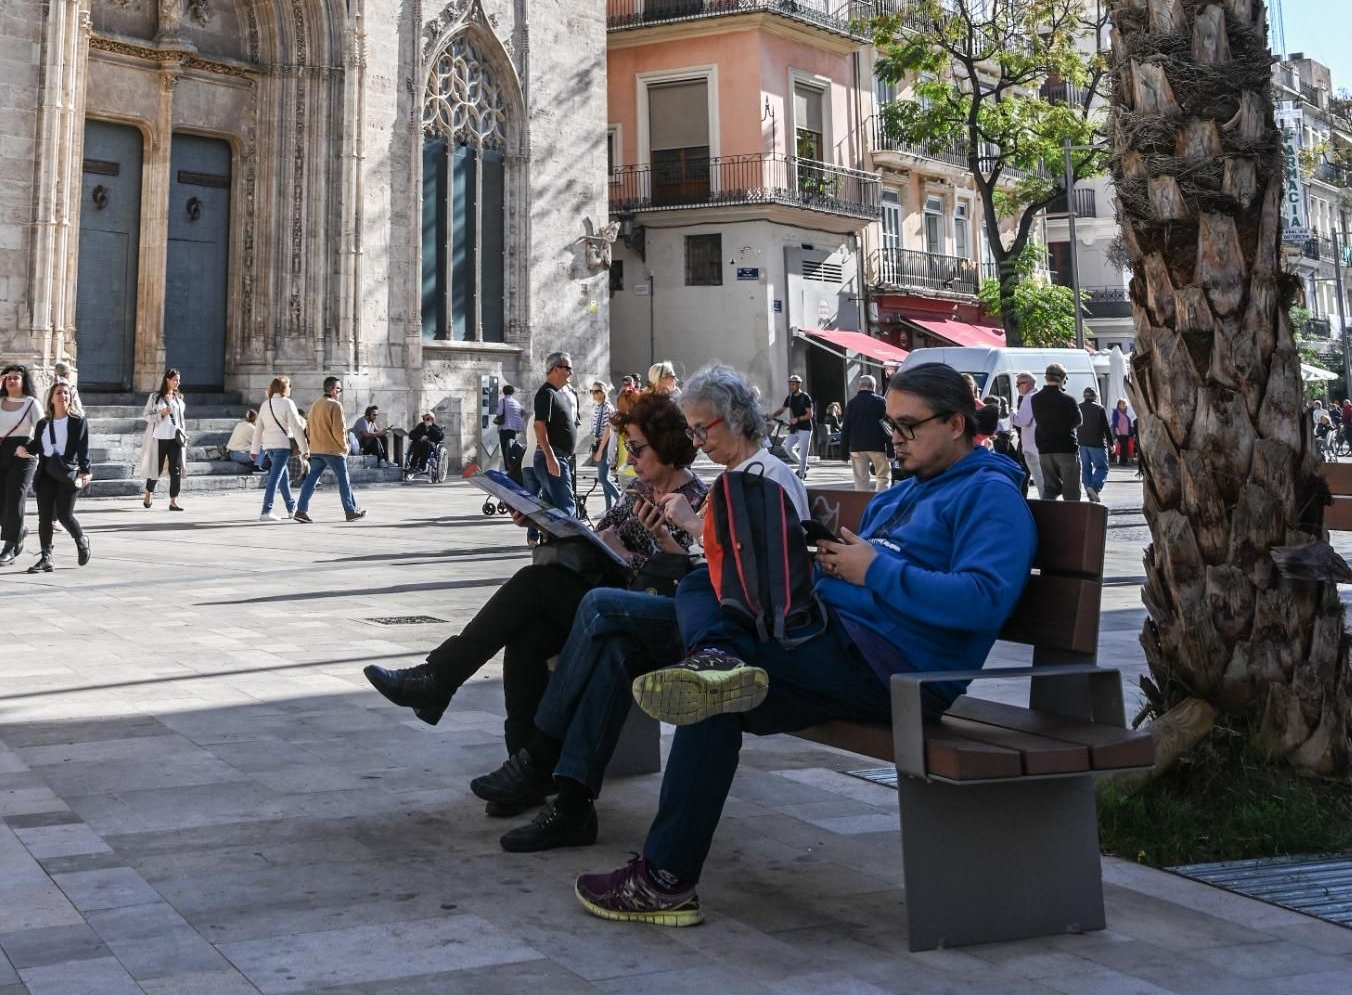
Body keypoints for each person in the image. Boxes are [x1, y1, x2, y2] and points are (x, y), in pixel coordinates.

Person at [573, 359, 1036, 926]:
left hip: (893, 669)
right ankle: (663, 863)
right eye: (891, 426)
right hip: (828, 634)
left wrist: (871, 571)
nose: (895, 439)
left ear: (958, 424)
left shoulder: (991, 497)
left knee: (711, 680)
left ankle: (663, 870)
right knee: (703, 606)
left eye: (907, 427)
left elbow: (982, 600)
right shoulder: (903, 493)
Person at [481, 363, 810, 858]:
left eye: (703, 429)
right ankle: (571, 803)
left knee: (597, 607)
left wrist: (693, 532)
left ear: (736, 419)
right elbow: (715, 568)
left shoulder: (763, 477)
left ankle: (540, 753)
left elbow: (761, 576)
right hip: (706, 615)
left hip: (733, 632)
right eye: (694, 431)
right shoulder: (738, 478)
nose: (698, 442)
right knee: (612, 645)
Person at [363, 383, 706, 835]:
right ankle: (521, 766)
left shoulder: (695, 498)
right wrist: (548, 524)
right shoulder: (638, 489)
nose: (631, 455)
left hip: (634, 611)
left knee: (532, 587)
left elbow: (690, 575)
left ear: (665, 445)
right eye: (628, 446)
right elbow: (600, 539)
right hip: (596, 593)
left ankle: (441, 682)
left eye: (637, 447)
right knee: (527, 635)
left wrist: (652, 545)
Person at [31, 381, 91, 571]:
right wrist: (24, 448)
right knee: (45, 517)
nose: (62, 396)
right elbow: (38, 445)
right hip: (46, 473)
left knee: (65, 516)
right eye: (58, 392)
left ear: (70, 397)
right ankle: (46, 556)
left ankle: (81, 541)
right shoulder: (43, 424)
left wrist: (85, 471)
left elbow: (83, 448)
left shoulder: (77, 421)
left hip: (67, 473)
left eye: (66, 393)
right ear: (51, 398)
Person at [0, 363, 40, 565]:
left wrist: (31, 449)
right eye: (8, 377)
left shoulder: (31, 403)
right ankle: (19, 531)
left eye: (16, 377)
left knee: (14, 500)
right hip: (0, 451)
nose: (11, 381)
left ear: (24, 381)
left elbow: (42, 429)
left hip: (23, 453)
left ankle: (9, 547)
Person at [296, 376, 366, 523]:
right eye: (339, 390)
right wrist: (345, 447)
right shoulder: (335, 405)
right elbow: (339, 430)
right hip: (333, 450)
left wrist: (314, 443)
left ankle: (301, 511)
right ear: (334, 390)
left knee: (311, 479)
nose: (340, 393)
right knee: (343, 480)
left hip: (316, 449)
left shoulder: (315, 404)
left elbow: (308, 429)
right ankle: (350, 511)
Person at [527, 351, 578, 512]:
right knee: (566, 508)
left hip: (557, 455)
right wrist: (550, 457)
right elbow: (539, 425)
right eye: (567, 368)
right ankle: (570, 537)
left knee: (551, 510)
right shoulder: (546, 393)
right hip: (553, 455)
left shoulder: (555, 393)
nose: (571, 372)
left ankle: (552, 537)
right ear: (555, 369)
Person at [254, 375, 307, 517]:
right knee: (275, 477)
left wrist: (254, 449)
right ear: (284, 388)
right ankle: (266, 511)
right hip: (282, 445)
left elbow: (258, 427)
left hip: (269, 445)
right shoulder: (288, 403)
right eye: (289, 386)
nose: (290, 389)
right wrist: (304, 448)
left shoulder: (266, 404)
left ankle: (291, 508)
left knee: (283, 476)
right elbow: (296, 427)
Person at [1029, 363, 1083, 501]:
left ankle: (1048, 518)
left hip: (1045, 449)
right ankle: (1071, 520)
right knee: (1071, 490)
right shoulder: (1068, 400)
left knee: (1050, 488)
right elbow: (1078, 421)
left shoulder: (1035, 399)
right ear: (1062, 378)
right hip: (1066, 449)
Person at [141, 368, 187, 511]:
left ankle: (173, 501)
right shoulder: (155, 397)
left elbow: (180, 420)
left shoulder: (179, 399)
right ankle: (149, 492)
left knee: (176, 470)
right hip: (159, 439)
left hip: (175, 440)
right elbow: (146, 416)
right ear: (167, 379)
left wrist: (183, 433)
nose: (177, 383)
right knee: (157, 469)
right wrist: (160, 414)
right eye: (175, 380)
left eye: (179, 380)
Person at [840, 376, 891, 491]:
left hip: (857, 447)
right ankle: (881, 504)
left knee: (860, 480)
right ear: (874, 386)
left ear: (859, 386)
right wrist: (891, 450)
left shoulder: (851, 404)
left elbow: (846, 429)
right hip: (878, 446)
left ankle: (862, 505)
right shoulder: (881, 402)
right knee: (883, 477)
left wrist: (844, 453)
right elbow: (887, 427)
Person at [771, 374, 815, 478]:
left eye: (793, 384)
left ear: (799, 385)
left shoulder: (805, 397)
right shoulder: (790, 398)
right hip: (795, 428)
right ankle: (803, 466)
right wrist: (772, 415)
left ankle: (801, 474)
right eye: (790, 384)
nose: (791, 386)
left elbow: (810, 415)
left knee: (804, 453)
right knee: (787, 447)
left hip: (805, 429)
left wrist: (797, 419)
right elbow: (782, 409)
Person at [585, 381, 619, 510]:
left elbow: (607, 430)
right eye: (592, 391)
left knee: (603, 478)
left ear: (603, 392)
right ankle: (608, 509)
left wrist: (600, 451)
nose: (593, 394)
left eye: (596, 391)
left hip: (606, 444)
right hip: (599, 442)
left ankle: (622, 503)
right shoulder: (598, 407)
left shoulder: (607, 408)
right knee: (605, 478)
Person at [1077, 387, 1112, 503]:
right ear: (1095, 396)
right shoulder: (1099, 408)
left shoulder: (1078, 407)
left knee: (1086, 467)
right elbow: (1106, 427)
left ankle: (1088, 489)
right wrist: (1111, 443)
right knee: (1102, 467)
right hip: (1097, 443)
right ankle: (1095, 487)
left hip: (1082, 443)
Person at [1013, 372, 1042, 491]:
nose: (1017, 387)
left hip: (1031, 447)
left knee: (1040, 482)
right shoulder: (1040, 395)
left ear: (1028, 384)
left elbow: (1022, 421)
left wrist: (1012, 414)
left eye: (1019, 384)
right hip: (1041, 447)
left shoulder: (1029, 398)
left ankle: (1046, 507)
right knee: (1043, 482)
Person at [492, 384, 526, 479]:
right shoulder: (516, 402)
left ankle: (507, 467)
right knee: (512, 447)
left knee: (504, 448)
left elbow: (499, 412)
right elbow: (523, 411)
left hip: (504, 428)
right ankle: (512, 466)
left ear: (504, 392)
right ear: (512, 392)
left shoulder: (502, 401)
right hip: (513, 428)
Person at [404, 408, 445, 478]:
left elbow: (440, 436)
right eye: (425, 419)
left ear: (432, 419)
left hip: (431, 446)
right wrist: (421, 436)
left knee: (426, 443)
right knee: (418, 443)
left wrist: (431, 427)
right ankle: (412, 466)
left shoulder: (435, 427)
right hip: (419, 445)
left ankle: (422, 467)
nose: (426, 421)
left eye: (428, 419)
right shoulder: (420, 426)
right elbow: (411, 434)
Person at [1111, 396, 1137, 465]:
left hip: (1126, 433)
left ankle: (1124, 460)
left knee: (1125, 446)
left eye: (1124, 404)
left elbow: (1128, 424)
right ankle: (1122, 461)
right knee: (1124, 446)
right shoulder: (1116, 412)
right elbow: (1115, 422)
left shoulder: (1125, 414)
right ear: (1118, 405)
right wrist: (1116, 429)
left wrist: (1132, 433)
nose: (1123, 405)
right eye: (1122, 404)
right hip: (1120, 433)